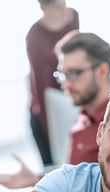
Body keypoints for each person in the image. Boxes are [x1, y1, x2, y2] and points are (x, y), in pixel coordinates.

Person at [0, 32, 110, 188]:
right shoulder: (83, 117)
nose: (65, 85)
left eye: (73, 74)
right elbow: (75, 182)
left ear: (102, 71)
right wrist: (36, 179)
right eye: (63, 75)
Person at [27, 0, 79, 166]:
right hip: (44, 113)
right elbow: (42, 88)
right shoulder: (34, 36)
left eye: (63, 2)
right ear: (43, 8)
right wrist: (52, 131)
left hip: (70, 104)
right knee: (54, 168)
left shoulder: (73, 17)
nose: (63, 9)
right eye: (56, 6)